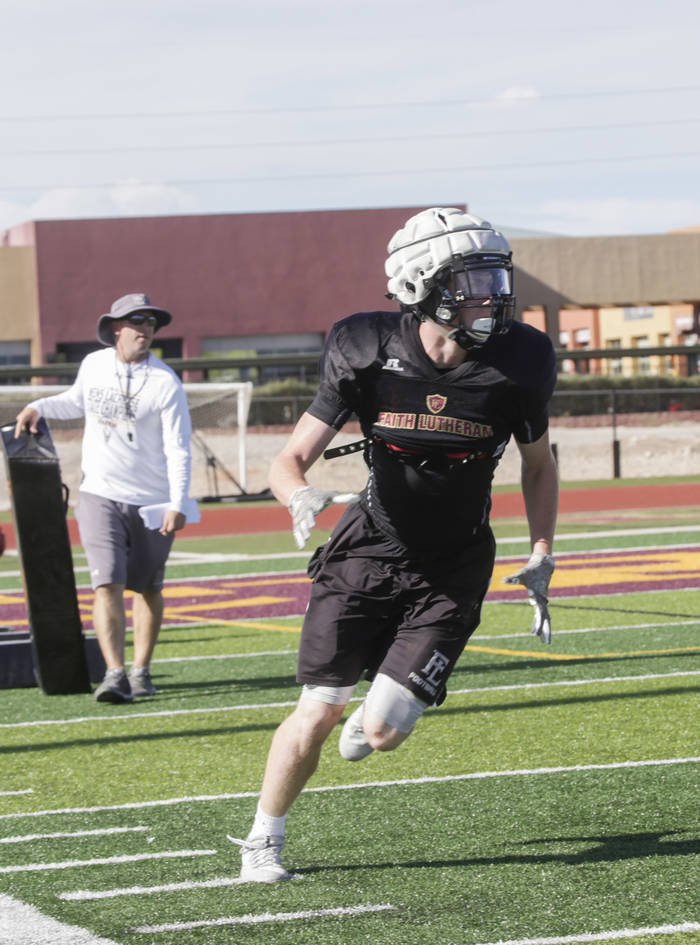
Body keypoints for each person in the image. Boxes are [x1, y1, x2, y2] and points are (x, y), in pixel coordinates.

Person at [229, 206, 559, 883]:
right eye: (472, 281)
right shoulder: (363, 346)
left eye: (496, 277)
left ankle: (375, 713)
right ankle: (263, 836)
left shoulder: (520, 360)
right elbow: (289, 458)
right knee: (318, 711)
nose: (492, 295)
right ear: (421, 285)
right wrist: (299, 497)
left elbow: (539, 464)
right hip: (366, 551)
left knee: (378, 733)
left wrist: (543, 549)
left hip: (454, 563)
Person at [14, 292, 192, 703]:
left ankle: (141, 670)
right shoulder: (94, 364)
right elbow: (76, 400)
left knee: (147, 587)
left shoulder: (165, 381)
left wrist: (177, 501)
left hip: (151, 499)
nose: (144, 329)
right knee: (106, 582)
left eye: (150, 322)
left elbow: (177, 447)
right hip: (99, 493)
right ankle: (113, 673)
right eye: (136, 321)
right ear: (116, 328)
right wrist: (38, 405)